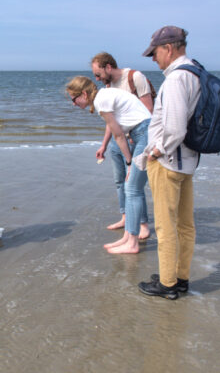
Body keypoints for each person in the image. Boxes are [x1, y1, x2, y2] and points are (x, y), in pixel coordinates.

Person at [134, 26, 201, 299]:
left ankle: (167, 284)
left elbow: (174, 129)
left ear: (169, 48)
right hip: (188, 161)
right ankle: (180, 278)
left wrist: (155, 153)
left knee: (165, 226)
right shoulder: (196, 72)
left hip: (169, 163)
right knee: (185, 225)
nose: (153, 59)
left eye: (155, 52)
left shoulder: (175, 80)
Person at [66, 76, 151, 254]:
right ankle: (128, 236)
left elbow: (119, 135)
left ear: (84, 94)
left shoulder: (101, 101)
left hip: (145, 134)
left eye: (74, 99)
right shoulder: (104, 96)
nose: (73, 104)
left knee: (133, 189)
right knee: (130, 188)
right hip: (141, 132)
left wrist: (129, 163)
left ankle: (133, 243)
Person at [91, 52, 154, 238]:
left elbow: (147, 109)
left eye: (98, 74)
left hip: (137, 137)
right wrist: (104, 145)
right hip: (118, 140)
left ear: (108, 67)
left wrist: (136, 138)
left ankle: (142, 225)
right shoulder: (109, 86)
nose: (96, 79)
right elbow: (112, 122)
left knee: (134, 185)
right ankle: (126, 217)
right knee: (120, 181)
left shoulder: (134, 77)